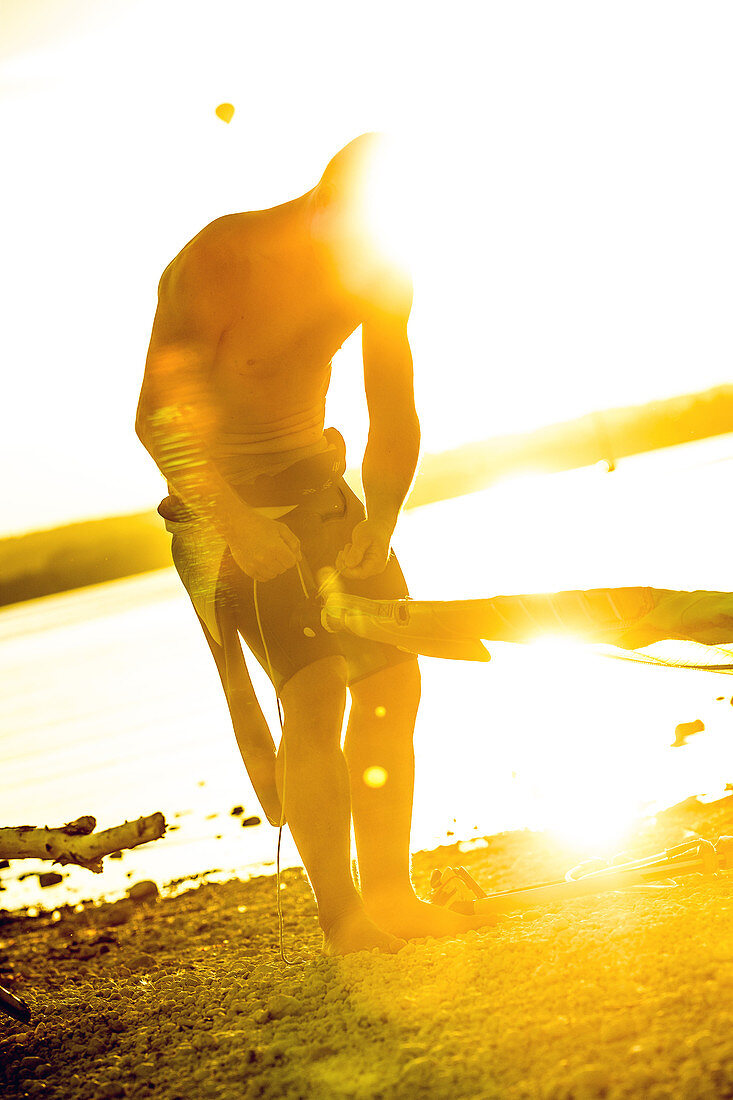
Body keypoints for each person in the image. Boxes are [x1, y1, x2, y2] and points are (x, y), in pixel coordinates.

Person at [136, 134, 482, 954]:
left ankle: (392, 895)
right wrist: (239, 524)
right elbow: (157, 417)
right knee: (318, 688)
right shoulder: (223, 257)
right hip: (220, 511)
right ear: (323, 205)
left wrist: (382, 517)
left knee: (394, 682)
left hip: (321, 492)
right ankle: (344, 917)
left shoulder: (379, 268)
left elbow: (393, 410)